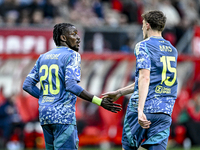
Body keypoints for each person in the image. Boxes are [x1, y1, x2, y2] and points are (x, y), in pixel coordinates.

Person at [22, 23, 121, 150]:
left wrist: (47, 98)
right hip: (63, 115)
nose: (78, 38)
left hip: (45, 115)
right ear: (63, 38)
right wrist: (99, 101)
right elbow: (71, 86)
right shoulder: (72, 55)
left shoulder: (43, 57)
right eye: (74, 34)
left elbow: (27, 85)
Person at [102, 10, 178, 150]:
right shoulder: (172, 49)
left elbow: (145, 77)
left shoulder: (143, 45)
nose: (142, 27)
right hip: (164, 110)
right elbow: (153, 80)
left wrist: (140, 110)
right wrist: (120, 92)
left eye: (143, 24)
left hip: (144, 107)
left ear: (147, 25)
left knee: (129, 147)